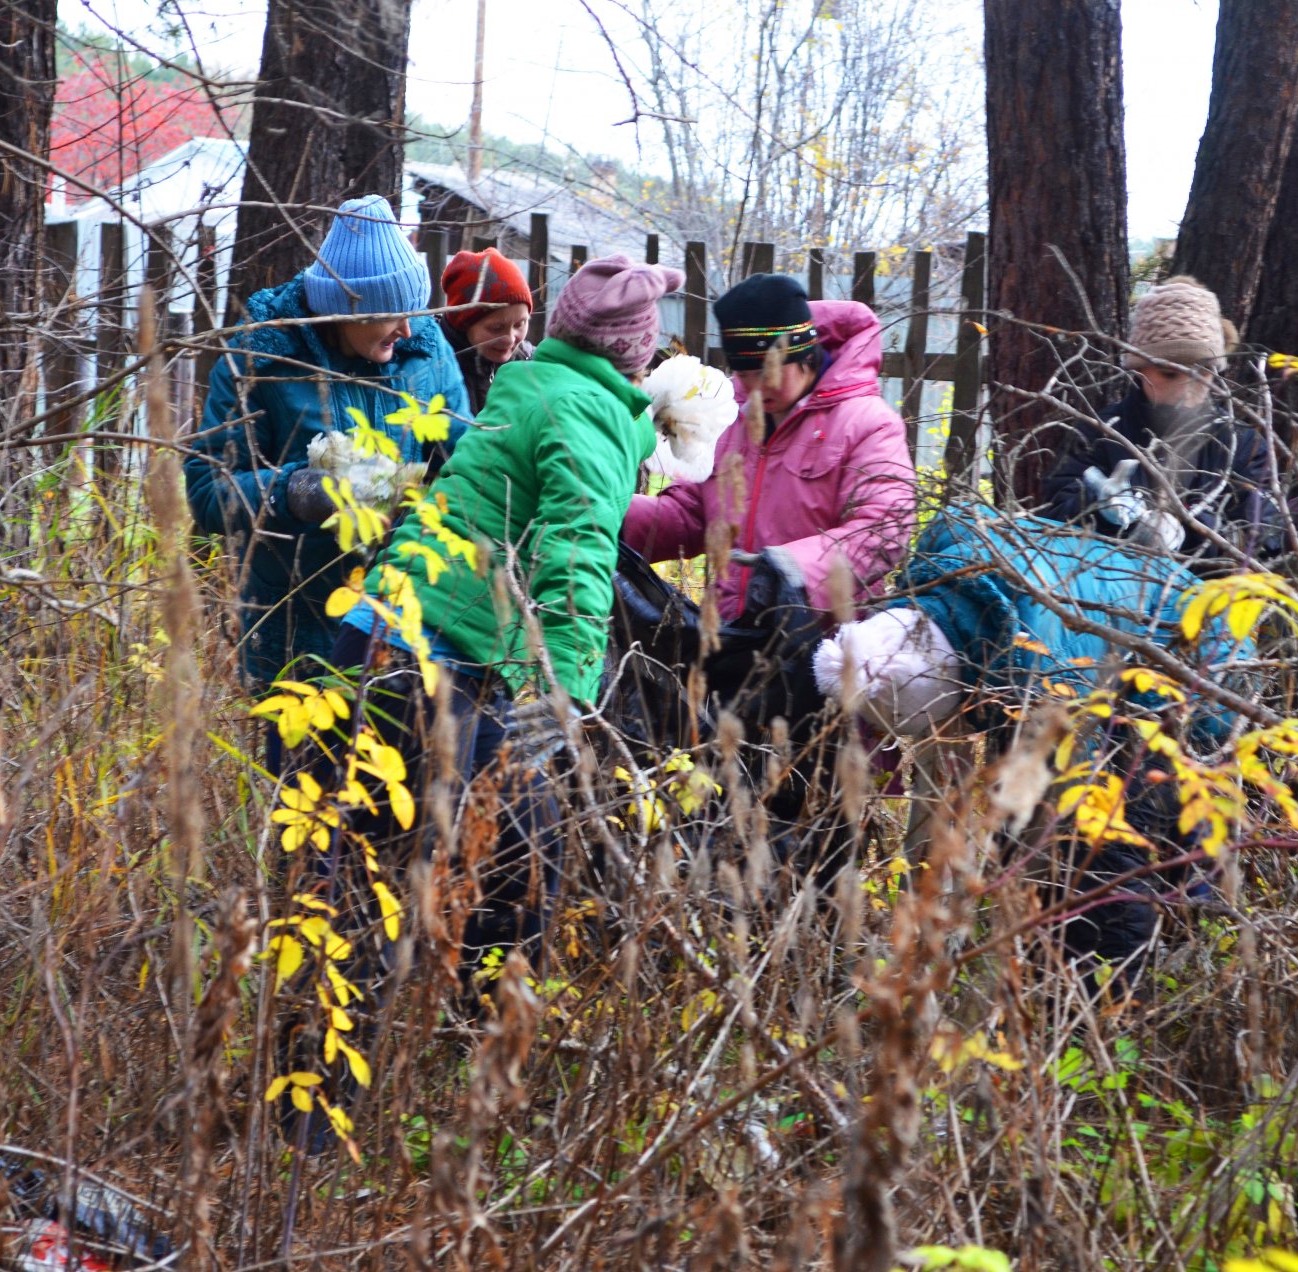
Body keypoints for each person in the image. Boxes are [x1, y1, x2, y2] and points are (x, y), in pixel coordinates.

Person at [333, 254, 684, 980]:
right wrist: (568, 687)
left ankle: (327, 1052)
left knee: (362, 877)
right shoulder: (590, 415)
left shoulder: (528, 386)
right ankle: (486, 1041)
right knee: (523, 858)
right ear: (635, 349)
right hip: (433, 659)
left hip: (370, 634)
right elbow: (577, 551)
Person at [812, 503, 1251, 990]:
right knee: (1029, 825)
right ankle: (1048, 971)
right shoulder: (947, 585)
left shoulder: (1043, 657)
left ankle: (1119, 997)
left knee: (1111, 849)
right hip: (1111, 638)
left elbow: (1074, 804)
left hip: (1201, 659)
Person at [621, 272, 917, 865]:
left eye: (765, 371)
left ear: (803, 352)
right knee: (731, 827)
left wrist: (790, 569)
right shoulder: (739, 424)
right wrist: (607, 516)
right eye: (744, 373)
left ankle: (823, 948)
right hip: (737, 661)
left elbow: (887, 525)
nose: (752, 387)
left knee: (821, 839)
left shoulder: (865, 422)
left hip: (824, 670)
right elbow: (693, 513)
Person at [185, 194, 470, 700]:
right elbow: (209, 491)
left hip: (403, 615)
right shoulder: (262, 354)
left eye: (413, 312)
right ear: (344, 311)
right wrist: (299, 490)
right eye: (392, 315)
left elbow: (465, 468)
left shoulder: (426, 351)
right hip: (294, 627)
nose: (408, 329)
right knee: (299, 774)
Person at [1039, 275, 1274, 566]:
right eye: (1171, 373)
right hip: (1106, 596)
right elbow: (1050, 519)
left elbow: (1265, 539)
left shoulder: (1242, 443)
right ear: (1141, 370)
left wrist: (1189, 530)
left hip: (1202, 602)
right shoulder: (1102, 431)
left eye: (1203, 371)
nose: (1189, 385)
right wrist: (1098, 508)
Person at [439, 247, 534, 413]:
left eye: (520, 324)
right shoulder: (437, 368)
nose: (510, 338)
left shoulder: (529, 364)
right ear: (464, 323)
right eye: (496, 328)